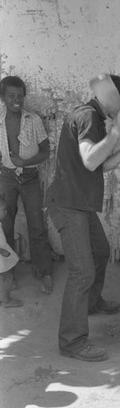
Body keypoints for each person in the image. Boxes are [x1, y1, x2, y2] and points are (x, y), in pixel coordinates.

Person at [47, 73, 120, 362]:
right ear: (110, 97)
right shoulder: (88, 116)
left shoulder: (97, 119)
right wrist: (115, 133)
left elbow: (98, 166)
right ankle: (72, 341)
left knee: (101, 251)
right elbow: (90, 159)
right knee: (82, 271)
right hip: (68, 203)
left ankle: (91, 302)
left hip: (80, 203)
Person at [0, 76, 53, 294]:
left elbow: (45, 151)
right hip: (6, 177)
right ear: (2, 97)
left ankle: (43, 271)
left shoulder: (34, 120)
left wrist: (25, 162)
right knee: (5, 225)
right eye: (11, 96)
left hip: (30, 177)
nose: (16, 100)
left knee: (36, 225)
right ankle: (7, 273)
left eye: (20, 96)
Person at [0, 194, 23, 307]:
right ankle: (6, 300)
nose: (6, 212)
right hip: (1, 256)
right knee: (6, 277)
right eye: (4, 209)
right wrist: (1, 251)